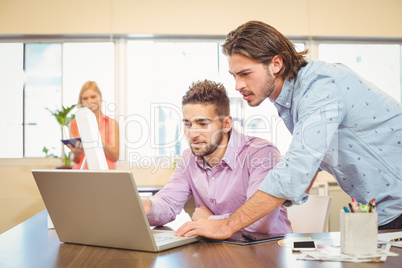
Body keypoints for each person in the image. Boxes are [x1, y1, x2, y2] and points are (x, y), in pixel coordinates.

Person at [176, 21, 402, 238]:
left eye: (245, 74)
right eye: (234, 76)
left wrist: (226, 225)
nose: (238, 85)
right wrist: (265, 204)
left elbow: (296, 168)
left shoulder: (320, 86)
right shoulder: (288, 99)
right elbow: (312, 161)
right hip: (382, 212)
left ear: (276, 64)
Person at [142, 79, 292, 234]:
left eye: (203, 124)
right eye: (187, 124)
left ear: (226, 124)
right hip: (218, 247)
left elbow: (261, 222)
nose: (192, 134)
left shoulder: (261, 153)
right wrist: (147, 206)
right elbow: (168, 203)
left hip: (267, 250)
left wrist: (210, 220)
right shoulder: (188, 158)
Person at [67, 81, 119, 169]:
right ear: (81, 101)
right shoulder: (73, 124)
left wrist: (98, 141)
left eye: (93, 97)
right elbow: (74, 159)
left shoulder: (112, 123)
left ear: (100, 96)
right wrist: (76, 153)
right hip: (82, 173)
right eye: (85, 98)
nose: (89, 101)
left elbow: (115, 157)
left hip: (106, 173)